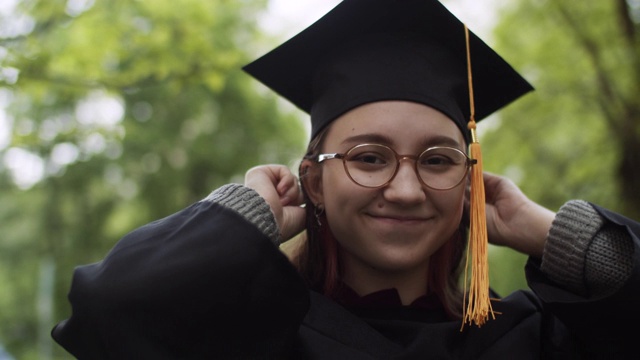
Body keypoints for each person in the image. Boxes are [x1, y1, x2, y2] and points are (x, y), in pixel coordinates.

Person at [52, 0, 639, 358]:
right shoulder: (249, 337)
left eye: (437, 160)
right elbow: (111, 312)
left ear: (470, 181)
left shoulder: (532, 339)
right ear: (313, 179)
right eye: (369, 157)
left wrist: (551, 233)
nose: (406, 190)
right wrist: (246, 215)